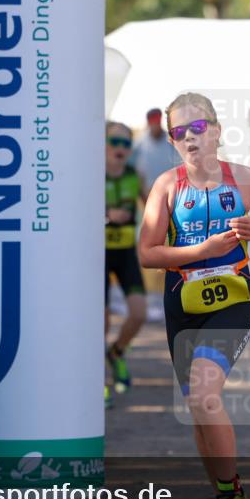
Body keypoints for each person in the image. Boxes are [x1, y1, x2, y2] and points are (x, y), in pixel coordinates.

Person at [138, 92, 250, 499]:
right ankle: (228, 498)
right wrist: (200, 251)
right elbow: (147, 253)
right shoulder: (166, 185)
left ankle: (231, 497)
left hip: (232, 298)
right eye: (179, 132)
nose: (190, 138)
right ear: (171, 140)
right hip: (182, 302)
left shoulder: (244, 179)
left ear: (217, 131)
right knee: (197, 407)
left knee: (205, 395)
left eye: (198, 128)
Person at [104, 121, 148, 400]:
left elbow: (155, 206)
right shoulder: (92, 174)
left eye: (126, 143)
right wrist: (106, 216)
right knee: (101, 321)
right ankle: (98, 385)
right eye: (115, 142)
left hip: (126, 252)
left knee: (139, 314)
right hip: (97, 255)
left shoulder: (136, 176)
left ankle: (117, 352)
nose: (120, 149)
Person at [130, 108, 181, 192]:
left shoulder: (172, 140)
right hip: (148, 191)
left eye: (157, 121)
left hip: (171, 190)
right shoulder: (140, 142)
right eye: (152, 121)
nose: (155, 125)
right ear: (148, 123)